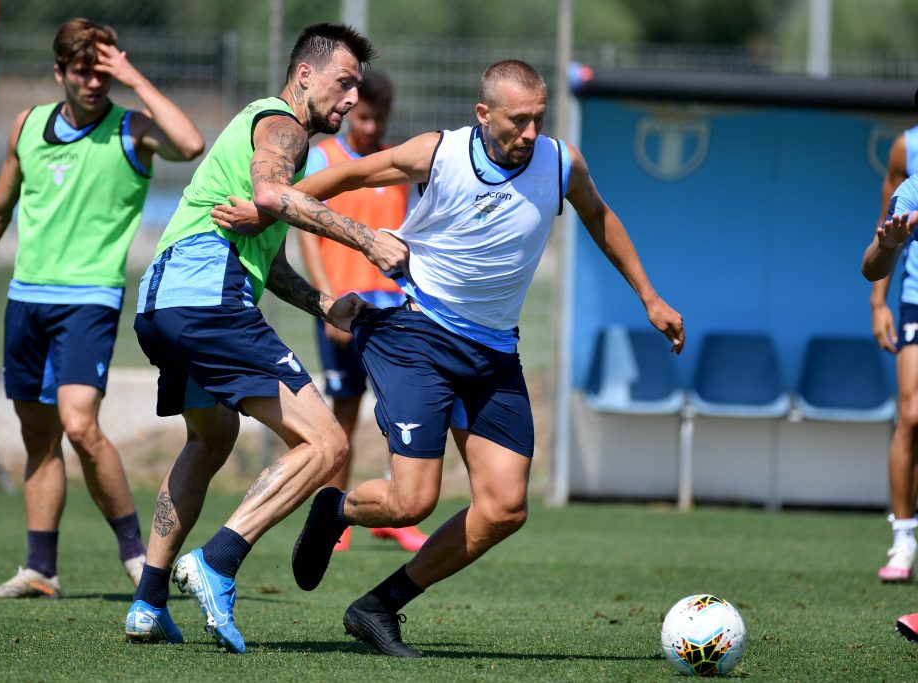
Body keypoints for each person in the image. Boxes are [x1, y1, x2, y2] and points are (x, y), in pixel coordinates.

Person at [213, 59, 685, 657]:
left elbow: (599, 215)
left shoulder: (561, 163)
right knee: (413, 501)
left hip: (493, 351)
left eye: (539, 119)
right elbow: (353, 174)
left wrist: (650, 296)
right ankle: (337, 507)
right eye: (518, 121)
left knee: (505, 508)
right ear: (483, 114)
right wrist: (270, 206)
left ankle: (377, 606)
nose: (531, 134)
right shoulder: (440, 153)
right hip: (417, 334)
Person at [122, 24, 408, 653]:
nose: (353, 98)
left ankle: (147, 599)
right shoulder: (283, 125)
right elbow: (271, 192)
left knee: (210, 438)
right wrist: (366, 237)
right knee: (327, 443)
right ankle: (218, 561)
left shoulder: (265, 128)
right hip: (208, 302)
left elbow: (267, 255)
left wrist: (324, 302)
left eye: (359, 85)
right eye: (345, 81)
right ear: (305, 74)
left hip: (164, 304)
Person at [0, 18, 204, 599]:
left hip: (89, 299)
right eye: (83, 70)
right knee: (39, 436)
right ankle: (41, 568)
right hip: (26, 298)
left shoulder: (132, 129)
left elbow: (190, 144)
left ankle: (138, 558)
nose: (93, 81)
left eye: (102, 70)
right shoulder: (28, 126)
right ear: (60, 72)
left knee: (80, 425)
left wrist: (131, 75)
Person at [299, 69, 427, 553]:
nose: (371, 127)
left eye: (379, 118)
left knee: (404, 412)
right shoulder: (326, 159)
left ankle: (395, 508)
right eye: (364, 116)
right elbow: (307, 233)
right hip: (345, 307)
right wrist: (327, 298)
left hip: (394, 308)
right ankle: (336, 516)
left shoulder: (396, 166)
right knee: (345, 412)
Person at [863, 128, 918, 582]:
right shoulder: (911, 171)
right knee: (913, 415)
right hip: (916, 302)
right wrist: (879, 301)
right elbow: (878, 251)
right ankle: (903, 539)